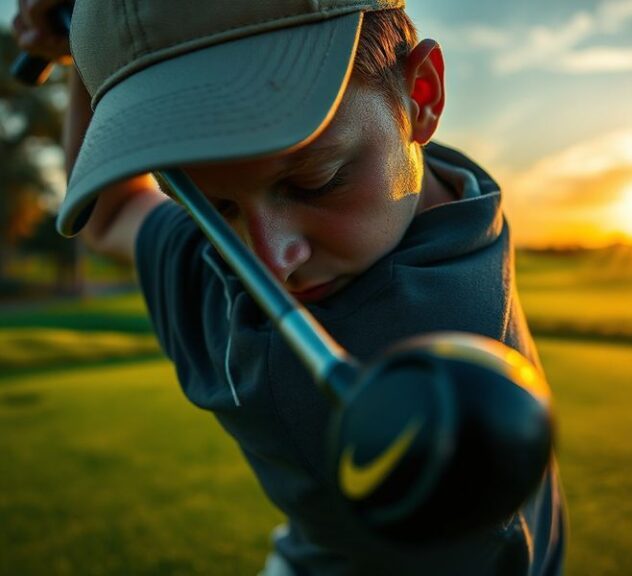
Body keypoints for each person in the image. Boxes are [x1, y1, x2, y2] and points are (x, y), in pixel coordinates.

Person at [13, 1, 567, 574]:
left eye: (316, 180)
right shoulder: (455, 190)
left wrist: (85, 52)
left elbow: (109, 215)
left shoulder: (294, 362)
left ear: (420, 94)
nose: (271, 263)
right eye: (213, 206)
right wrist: (95, 43)